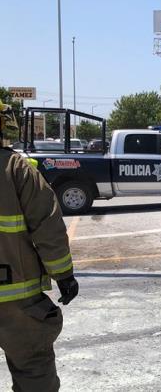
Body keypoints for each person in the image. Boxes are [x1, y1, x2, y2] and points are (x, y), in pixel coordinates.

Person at [0, 100, 79, 392]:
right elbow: (48, 228)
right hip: (17, 300)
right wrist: (65, 276)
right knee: (34, 370)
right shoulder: (16, 168)